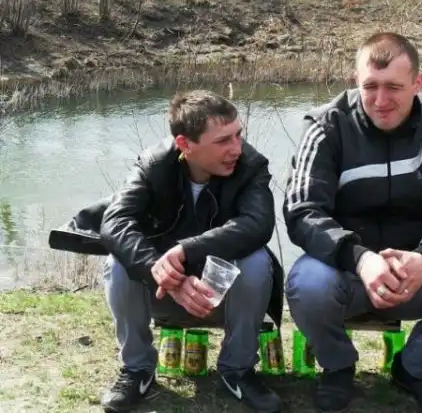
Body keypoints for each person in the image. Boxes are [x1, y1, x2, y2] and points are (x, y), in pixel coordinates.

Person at [282, 32, 422, 413]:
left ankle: (414, 369)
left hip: (419, 274)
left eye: (394, 87)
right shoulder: (326, 126)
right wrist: (361, 259)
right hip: (349, 273)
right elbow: (302, 210)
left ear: (418, 83)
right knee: (306, 282)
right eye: (370, 86)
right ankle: (337, 366)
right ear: (356, 80)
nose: (381, 100)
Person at [50, 90, 283, 413]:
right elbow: (115, 222)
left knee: (257, 261)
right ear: (185, 144)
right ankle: (137, 369)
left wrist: (185, 250)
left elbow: (258, 224)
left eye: (238, 135)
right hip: (161, 293)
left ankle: (238, 369)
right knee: (119, 262)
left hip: (221, 296)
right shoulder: (154, 164)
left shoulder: (251, 165)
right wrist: (160, 272)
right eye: (222, 141)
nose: (236, 148)